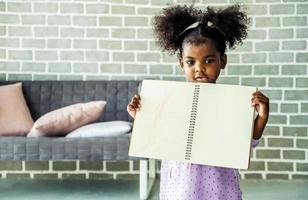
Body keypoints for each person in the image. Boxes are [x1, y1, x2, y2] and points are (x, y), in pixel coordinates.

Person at [127, 4, 269, 200]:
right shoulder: (170, 100)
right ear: (181, 63)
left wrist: (261, 116)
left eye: (209, 61)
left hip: (219, 184)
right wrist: (142, 116)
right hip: (180, 184)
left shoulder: (231, 102)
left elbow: (246, 143)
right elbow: (159, 137)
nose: (199, 69)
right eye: (191, 62)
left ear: (223, 61)